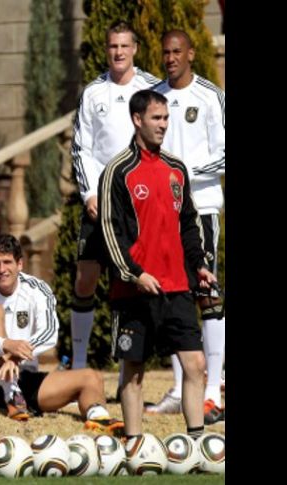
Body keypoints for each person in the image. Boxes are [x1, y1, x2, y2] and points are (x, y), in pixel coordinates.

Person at [98, 89, 216, 443]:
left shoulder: (176, 168)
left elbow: (189, 223)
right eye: (156, 118)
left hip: (176, 286)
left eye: (166, 118)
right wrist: (135, 274)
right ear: (137, 120)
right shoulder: (118, 171)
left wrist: (199, 265)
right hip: (133, 291)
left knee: (195, 365)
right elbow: (109, 229)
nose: (163, 125)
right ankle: (135, 446)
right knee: (133, 373)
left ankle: (195, 444)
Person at [0, 234, 124, 435]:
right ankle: (10, 393)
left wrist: (15, 358)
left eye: (7, 262)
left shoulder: (38, 290)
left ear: (20, 264)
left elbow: (49, 334)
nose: (2, 270)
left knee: (92, 377)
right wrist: (6, 345)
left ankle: (98, 419)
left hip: (24, 377)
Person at [70, 21, 160, 371]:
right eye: (112, 47)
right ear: (106, 50)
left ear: (134, 48)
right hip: (100, 201)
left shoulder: (152, 87)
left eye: (124, 46)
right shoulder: (93, 93)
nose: (118, 52)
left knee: (136, 280)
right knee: (86, 277)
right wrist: (89, 194)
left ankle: (132, 362)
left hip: (139, 203)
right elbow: (82, 149)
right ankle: (78, 363)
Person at [147, 30, 226, 424]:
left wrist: (186, 174)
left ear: (191, 54)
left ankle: (213, 390)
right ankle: (181, 389)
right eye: (166, 52)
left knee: (206, 289)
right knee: (173, 294)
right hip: (164, 212)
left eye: (178, 52)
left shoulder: (209, 96)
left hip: (202, 207)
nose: (171, 58)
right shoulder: (155, 96)